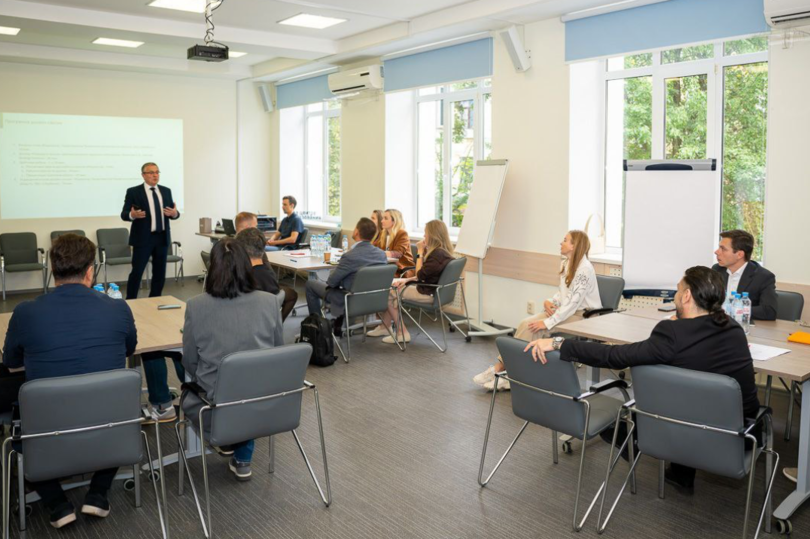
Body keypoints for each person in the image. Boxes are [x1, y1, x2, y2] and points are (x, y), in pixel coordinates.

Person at [524, 266, 760, 493]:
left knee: (656, 405)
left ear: (687, 296)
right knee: (696, 398)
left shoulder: (672, 334)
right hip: (737, 437)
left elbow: (614, 356)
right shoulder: (734, 329)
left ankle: (638, 443)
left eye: (678, 290)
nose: (676, 296)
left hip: (677, 432)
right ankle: (680, 473)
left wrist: (559, 342)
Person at [2, 234, 137, 528]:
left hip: (47, 428)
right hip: (110, 425)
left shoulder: (25, 312)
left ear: (52, 270)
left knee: (21, 416)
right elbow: (129, 350)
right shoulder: (119, 309)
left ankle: (56, 503)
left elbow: (10, 362)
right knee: (116, 405)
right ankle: (99, 493)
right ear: (91, 271)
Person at [181, 239, 283, 481]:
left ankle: (225, 437)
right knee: (249, 381)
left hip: (216, 402)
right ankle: (243, 456)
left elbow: (190, 361)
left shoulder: (196, 306)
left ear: (212, 269)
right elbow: (278, 352)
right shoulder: (270, 302)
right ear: (247, 266)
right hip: (266, 399)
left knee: (193, 381)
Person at [473, 230, 602, 391]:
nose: (560, 243)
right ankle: (506, 371)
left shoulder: (585, 269)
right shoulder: (566, 263)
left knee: (535, 328)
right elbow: (564, 294)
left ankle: (505, 373)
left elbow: (572, 303)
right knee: (526, 324)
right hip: (567, 311)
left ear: (574, 246)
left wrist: (547, 323)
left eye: (565, 240)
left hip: (585, 316)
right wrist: (550, 301)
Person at [367, 220, 455, 345]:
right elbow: (426, 274)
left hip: (427, 293)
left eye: (426, 233)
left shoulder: (436, 255)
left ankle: (401, 332)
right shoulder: (443, 252)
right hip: (431, 289)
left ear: (433, 235)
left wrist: (419, 252)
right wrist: (406, 280)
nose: (424, 236)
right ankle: (384, 327)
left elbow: (419, 274)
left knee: (388, 292)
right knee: (393, 286)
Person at [305, 217, 387, 335]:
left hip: (349, 299)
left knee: (310, 284)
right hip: (374, 300)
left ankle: (318, 326)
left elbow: (331, 282)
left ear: (356, 232)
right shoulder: (381, 255)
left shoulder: (350, 256)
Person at [120, 162, 180, 299]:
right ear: (143, 175)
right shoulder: (133, 192)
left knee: (159, 273)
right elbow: (124, 214)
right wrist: (132, 215)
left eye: (157, 172)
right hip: (143, 239)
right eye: (151, 172)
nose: (155, 175)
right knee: (137, 272)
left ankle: (155, 299)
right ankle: (131, 301)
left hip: (162, 238)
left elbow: (173, 213)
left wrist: (175, 214)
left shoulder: (166, 191)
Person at [712, 229, 777, 320]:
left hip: (745, 327)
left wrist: (734, 310)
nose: (717, 252)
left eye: (723, 249)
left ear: (739, 254)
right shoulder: (717, 270)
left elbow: (769, 311)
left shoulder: (763, 277)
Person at [236, 227, 299, 321]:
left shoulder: (237, 272)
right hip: (264, 318)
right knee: (291, 293)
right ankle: (278, 324)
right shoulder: (266, 274)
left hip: (240, 319)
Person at [376, 209, 415, 277]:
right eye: (382, 218)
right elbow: (374, 248)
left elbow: (398, 253)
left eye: (385, 218)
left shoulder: (402, 233)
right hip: (387, 267)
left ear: (394, 221)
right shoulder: (383, 234)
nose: (382, 221)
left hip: (402, 269)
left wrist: (378, 253)